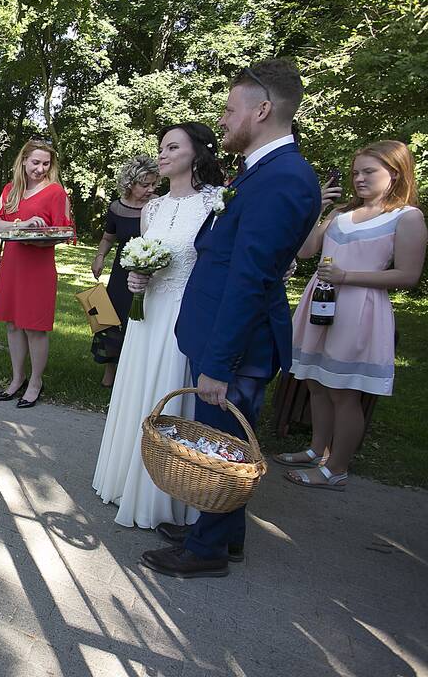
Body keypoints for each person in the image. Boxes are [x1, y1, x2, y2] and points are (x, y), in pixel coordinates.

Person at [141, 59, 321, 578]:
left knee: (222, 449)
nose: (222, 119)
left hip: (236, 346)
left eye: (229, 109)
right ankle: (222, 532)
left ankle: (206, 551)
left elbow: (250, 279)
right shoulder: (261, 171)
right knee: (226, 443)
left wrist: (219, 363)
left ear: (262, 109)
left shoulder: (284, 179)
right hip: (219, 334)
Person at [92, 125, 224, 530]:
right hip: (147, 314)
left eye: (173, 147)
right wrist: (137, 278)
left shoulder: (215, 205)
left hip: (185, 314)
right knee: (136, 390)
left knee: (170, 388)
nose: (162, 155)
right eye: (161, 147)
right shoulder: (152, 209)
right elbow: (143, 260)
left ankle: (172, 492)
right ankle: (125, 479)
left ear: (197, 154)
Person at [279, 140, 427, 489]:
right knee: (315, 381)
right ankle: (317, 450)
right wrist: (319, 209)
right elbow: (305, 252)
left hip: (359, 307)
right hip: (321, 302)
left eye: (369, 172)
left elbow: (408, 275)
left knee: (343, 390)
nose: (359, 179)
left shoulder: (406, 216)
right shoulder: (341, 212)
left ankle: (337, 468)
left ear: (394, 173)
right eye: (356, 172)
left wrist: (347, 277)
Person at [0, 138, 75, 408]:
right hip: (12, 264)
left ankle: (36, 382)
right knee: (13, 324)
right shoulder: (11, 190)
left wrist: (37, 237)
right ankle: (17, 379)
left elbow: (65, 232)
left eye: (46, 163)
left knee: (34, 328)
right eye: (35, 162)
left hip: (37, 267)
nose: (40, 168)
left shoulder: (56, 193)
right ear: (24, 161)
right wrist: (22, 224)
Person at [90, 155, 159, 387]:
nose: (151, 189)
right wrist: (99, 257)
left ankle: (133, 376)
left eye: (153, 184)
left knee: (140, 321)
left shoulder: (159, 206)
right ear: (130, 183)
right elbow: (108, 237)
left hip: (148, 274)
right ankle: (109, 372)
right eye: (145, 184)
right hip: (121, 273)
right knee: (112, 319)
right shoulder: (116, 208)